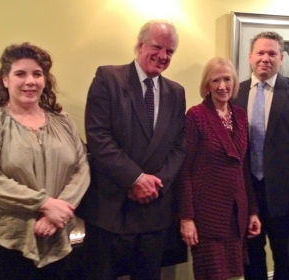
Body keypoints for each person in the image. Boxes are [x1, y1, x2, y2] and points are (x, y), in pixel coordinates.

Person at [77, 19, 186, 280]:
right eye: (157, 47)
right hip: (112, 209)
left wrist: (154, 185)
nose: (162, 56)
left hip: (154, 211)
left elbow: (179, 145)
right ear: (139, 45)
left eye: (169, 52)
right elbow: (98, 137)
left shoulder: (176, 92)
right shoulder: (108, 78)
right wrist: (135, 179)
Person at [0, 43, 90, 280]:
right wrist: (43, 204)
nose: (30, 81)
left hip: (56, 234)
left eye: (37, 74)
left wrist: (58, 211)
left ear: (45, 80)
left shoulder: (62, 120)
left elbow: (81, 168)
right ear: (5, 80)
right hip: (0, 241)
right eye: (20, 74)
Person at [233, 31, 289, 280]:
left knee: (285, 260)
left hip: (287, 195)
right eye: (260, 52)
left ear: (281, 58)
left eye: (272, 53)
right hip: (247, 193)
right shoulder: (235, 93)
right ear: (250, 57)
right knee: (251, 259)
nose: (265, 58)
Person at [177, 57, 261, 280]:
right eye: (216, 80)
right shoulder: (196, 116)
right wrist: (186, 218)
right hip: (207, 215)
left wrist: (252, 211)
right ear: (207, 85)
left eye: (227, 80)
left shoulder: (240, 116)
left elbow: (243, 168)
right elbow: (184, 171)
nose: (222, 86)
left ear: (234, 83)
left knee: (233, 274)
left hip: (236, 213)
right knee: (211, 274)